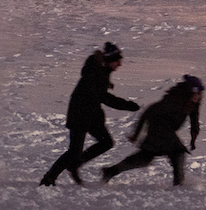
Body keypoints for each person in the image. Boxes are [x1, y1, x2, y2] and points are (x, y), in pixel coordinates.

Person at [40, 43, 142, 186]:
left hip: (92, 115)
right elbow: (104, 97)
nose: (119, 65)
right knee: (74, 151)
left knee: (106, 142)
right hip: (80, 114)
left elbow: (98, 90)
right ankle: (49, 178)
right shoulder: (96, 73)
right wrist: (128, 105)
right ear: (110, 60)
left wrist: (107, 84)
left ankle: (75, 165)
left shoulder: (101, 70)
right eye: (118, 61)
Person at [102, 75, 204, 186]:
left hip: (166, 131)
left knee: (146, 157)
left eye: (200, 94)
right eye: (197, 94)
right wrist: (137, 134)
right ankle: (179, 183)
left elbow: (194, 118)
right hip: (158, 129)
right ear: (189, 93)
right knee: (178, 152)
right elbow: (148, 112)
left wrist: (194, 135)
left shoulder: (192, 103)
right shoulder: (173, 100)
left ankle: (111, 171)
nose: (199, 96)